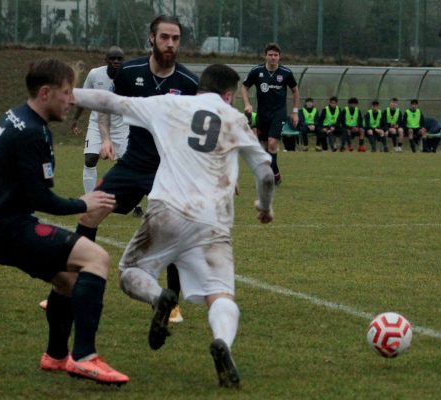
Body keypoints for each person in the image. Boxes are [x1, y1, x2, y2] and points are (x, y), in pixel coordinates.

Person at [73, 63, 275, 388]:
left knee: (130, 273)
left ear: (201, 87)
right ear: (228, 94)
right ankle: (222, 341)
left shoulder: (170, 103)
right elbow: (266, 174)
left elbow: (112, 102)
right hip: (214, 222)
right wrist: (264, 208)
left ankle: (158, 297)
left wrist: (69, 94)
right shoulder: (235, 119)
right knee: (220, 294)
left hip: (168, 210)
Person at [0, 59, 129, 386]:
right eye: (66, 93)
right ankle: (84, 357)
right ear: (44, 93)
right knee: (96, 259)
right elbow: (41, 200)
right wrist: (85, 203)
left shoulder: (15, 116)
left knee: (67, 280)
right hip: (5, 228)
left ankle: (55, 356)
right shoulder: (34, 134)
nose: (71, 100)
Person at [71, 15, 199, 325]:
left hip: (170, 169)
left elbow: (198, 132)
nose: (170, 44)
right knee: (89, 212)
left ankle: (171, 303)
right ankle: (70, 288)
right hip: (134, 163)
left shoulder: (189, 82)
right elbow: (106, 105)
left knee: (174, 231)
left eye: (176, 38)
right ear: (152, 38)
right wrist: (104, 139)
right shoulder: (129, 73)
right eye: (165, 37)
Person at [70, 46, 129, 194]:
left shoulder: (129, 76)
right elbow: (84, 97)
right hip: (97, 124)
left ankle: (136, 204)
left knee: (129, 164)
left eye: (119, 59)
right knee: (90, 159)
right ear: (106, 60)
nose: (116, 61)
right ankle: (89, 199)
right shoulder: (95, 74)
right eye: (113, 58)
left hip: (121, 126)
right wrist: (75, 119)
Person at [242, 42, 300, 185]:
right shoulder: (257, 71)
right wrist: (247, 104)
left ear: (279, 57)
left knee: (273, 144)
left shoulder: (286, 73)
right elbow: (244, 87)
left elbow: (295, 91)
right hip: (262, 113)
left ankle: (267, 177)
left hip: (279, 113)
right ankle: (276, 175)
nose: (273, 57)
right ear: (265, 56)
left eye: (276, 55)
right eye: (270, 55)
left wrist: (295, 112)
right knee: (265, 147)